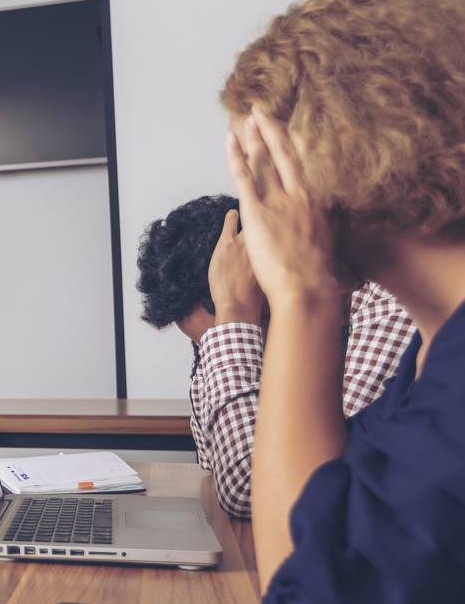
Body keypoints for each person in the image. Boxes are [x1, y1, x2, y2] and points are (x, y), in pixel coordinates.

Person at [219, 0, 465, 604]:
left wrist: (304, 295)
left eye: (262, 175)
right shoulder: (456, 336)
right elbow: (326, 508)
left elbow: (304, 586)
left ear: (322, 171)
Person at [136, 193, 413, 517]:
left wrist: (236, 314)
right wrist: (219, 338)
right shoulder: (238, 322)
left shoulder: (387, 306)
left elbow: (257, 489)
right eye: (203, 345)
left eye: (231, 334)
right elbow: (214, 461)